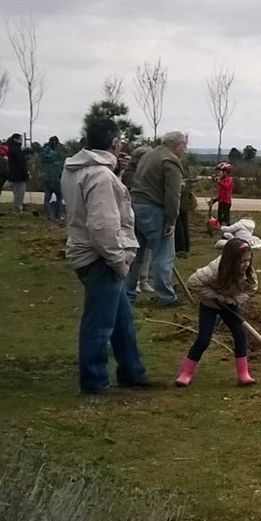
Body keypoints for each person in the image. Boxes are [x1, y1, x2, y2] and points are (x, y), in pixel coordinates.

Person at [62, 117, 146, 394]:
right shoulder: (100, 176)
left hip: (89, 252)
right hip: (99, 258)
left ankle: (132, 371)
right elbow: (102, 225)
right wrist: (118, 261)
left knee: (121, 319)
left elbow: (99, 206)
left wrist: (117, 173)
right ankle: (94, 381)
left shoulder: (80, 169)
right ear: (114, 142)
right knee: (99, 323)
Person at [175, 237, 259, 388]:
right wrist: (216, 297)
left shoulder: (248, 273)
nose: (246, 264)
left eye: (248, 260)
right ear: (231, 260)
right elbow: (193, 282)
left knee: (240, 334)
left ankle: (243, 374)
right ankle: (185, 373)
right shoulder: (214, 270)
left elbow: (251, 289)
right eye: (242, 261)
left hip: (230, 304)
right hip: (209, 304)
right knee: (204, 339)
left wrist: (235, 300)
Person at [127, 131, 187, 307]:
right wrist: (171, 220)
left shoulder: (148, 155)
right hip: (155, 210)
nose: (185, 150)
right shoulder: (171, 161)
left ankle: (127, 293)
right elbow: (172, 195)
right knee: (163, 255)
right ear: (177, 146)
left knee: (136, 255)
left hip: (136, 208)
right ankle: (166, 297)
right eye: (184, 146)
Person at [39, 136, 65, 221]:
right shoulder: (57, 154)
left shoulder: (43, 152)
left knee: (47, 199)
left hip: (47, 178)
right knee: (59, 198)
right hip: (56, 178)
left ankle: (49, 216)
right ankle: (58, 216)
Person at [6, 133, 30, 214]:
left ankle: (18, 209)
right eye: (20, 139)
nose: (22, 141)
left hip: (13, 175)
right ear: (15, 139)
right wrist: (26, 174)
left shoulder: (11, 149)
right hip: (19, 176)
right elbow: (21, 163)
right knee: (19, 194)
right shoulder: (16, 150)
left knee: (17, 194)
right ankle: (17, 211)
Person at [212, 162, 234, 226]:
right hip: (221, 202)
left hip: (226, 203)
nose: (218, 174)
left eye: (219, 172)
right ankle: (224, 232)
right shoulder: (222, 180)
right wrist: (215, 200)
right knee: (220, 219)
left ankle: (227, 232)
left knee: (225, 220)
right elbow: (221, 194)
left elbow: (226, 187)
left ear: (225, 172)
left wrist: (218, 182)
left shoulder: (228, 179)